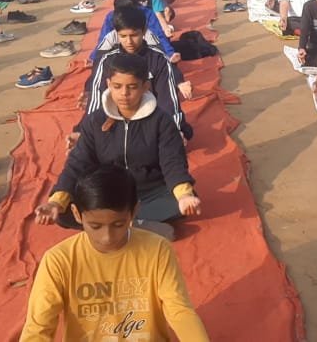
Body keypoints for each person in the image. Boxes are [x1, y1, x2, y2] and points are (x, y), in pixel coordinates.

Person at [22, 166, 210, 342]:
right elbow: (39, 327)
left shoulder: (158, 250)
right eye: (95, 226)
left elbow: (180, 311)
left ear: (134, 211)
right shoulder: (58, 261)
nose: (107, 238)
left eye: (118, 224)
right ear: (77, 214)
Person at [36, 53, 201, 232]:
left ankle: (112, 225)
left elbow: (173, 163)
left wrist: (184, 196)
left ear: (145, 87)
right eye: (117, 86)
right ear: (108, 85)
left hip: (149, 192)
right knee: (64, 212)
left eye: (132, 87)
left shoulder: (162, 121)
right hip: (106, 192)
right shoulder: (95, 121)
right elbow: (78, 163)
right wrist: (56, 202)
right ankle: (135, 226)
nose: (124, 93)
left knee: (181, 202)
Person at [83, 5, 192, 141]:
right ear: (116, 34)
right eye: (123, 36)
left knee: (169, 144)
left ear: (144, 31)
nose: (129, 42)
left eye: (134, 35)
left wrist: (174, 132)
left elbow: (168, 101)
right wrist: (85, 134)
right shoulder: (107, 61)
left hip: (150, 119)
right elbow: (97, 99)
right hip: (117, 118)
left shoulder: (158, 60)